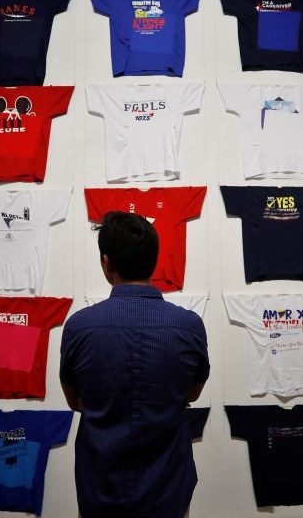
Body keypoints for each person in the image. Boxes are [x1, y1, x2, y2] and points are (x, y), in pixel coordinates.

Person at [59, 211, 210, 518]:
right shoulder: (189, 326)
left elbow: (74, 400)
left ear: (106, 263)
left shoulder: (79, 327)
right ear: (154, 261)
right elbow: (192, 394)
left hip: (101, 487)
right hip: (168, 486)